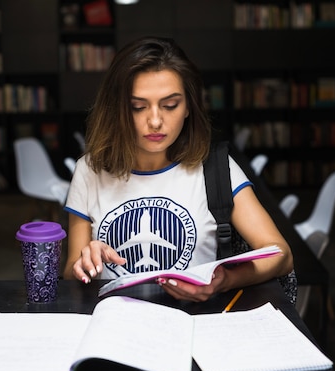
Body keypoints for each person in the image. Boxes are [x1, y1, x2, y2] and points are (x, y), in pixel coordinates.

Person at [63, 36, 293, 302]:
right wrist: (85, 263)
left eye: (170, 105)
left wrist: (225, 280)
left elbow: (281, 254)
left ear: (188, 108)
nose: (155, 121)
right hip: (115, 324)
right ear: (117, 110)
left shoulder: (215, 168)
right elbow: (71, 274)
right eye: (137, 107)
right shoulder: (89, 170)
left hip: (192, 324)